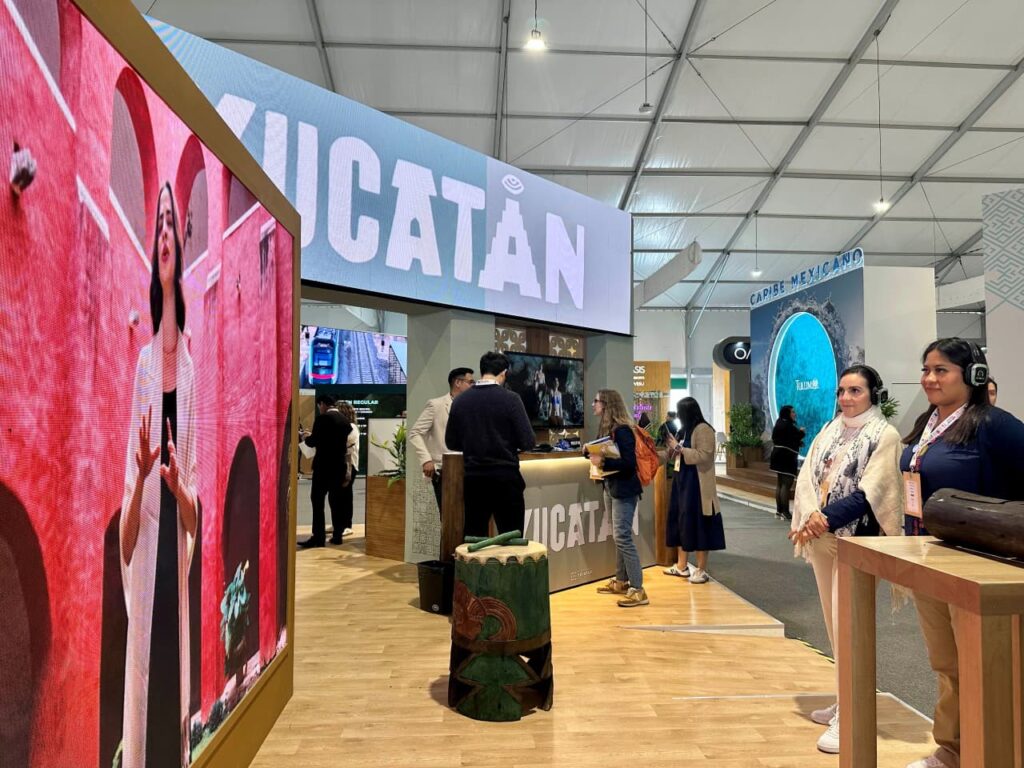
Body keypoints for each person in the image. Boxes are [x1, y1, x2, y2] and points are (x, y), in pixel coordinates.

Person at [900, 339, 1024, 768]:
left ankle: (996, 750)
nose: (929, 378)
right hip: (930, 558)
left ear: (973, 375)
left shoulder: (993, 425)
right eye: (926, 369)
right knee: (946, 662)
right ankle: (953, 749)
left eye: (941, 370)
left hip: (979, 567)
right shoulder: (927, 423)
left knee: (986, 665)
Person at [120, 182, 198, 768]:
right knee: (144, 699)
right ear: (154, 248)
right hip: (147, 558)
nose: (166, 232)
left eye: (172, 222)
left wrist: (177, 488)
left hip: (177, 565)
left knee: (175, 712)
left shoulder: (189, 371)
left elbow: (196, 517)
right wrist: (145, 477)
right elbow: (125, 542)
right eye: (160, 223)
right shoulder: (145, 364)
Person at [789, 364, 904, 755]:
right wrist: (809, 517)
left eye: (855, 391)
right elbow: (807, 476)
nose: (845, 398)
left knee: (849, 628)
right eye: (841, 391)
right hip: (822, 540)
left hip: (857, 543)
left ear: (873, 394)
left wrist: (823, 518)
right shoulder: (830, 429)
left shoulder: (884, 435)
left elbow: (872, 493)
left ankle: (853, 717)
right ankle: (845, 700)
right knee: (834, 626)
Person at [445, 352, 535, 537]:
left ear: (482, 371)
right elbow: (528, 441)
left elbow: (451, 442)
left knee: (474, 538)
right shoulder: (511, 399)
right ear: (504, 373)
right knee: (511, 538)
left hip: (474, 479)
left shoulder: (460, 401)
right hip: (506, 478)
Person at [588, 389, 647, 607]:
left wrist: (603, 462)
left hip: (624, 489)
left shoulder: (622, 430)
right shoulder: (609, 429)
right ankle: (621, 581)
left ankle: (638, 589)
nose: (593, 404)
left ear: (607, 404)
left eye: (596, 401)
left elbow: (629, 463)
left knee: (622, 537)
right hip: (611, 487)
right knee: (620, 536)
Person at [663, 397, 724, 585]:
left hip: (697, 485)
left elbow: (704, 457)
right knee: (681, 522)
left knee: (698, 524)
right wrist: (672, 449)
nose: (678, 416)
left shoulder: (704, 429)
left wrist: (679, 448)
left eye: (680, 412)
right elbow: (676, 452)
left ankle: (701, 569)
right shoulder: (684, 430)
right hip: (682, 482)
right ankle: (681, 566)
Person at [407, 367, 474, 513]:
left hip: (471, 468)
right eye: (470, 382)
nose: (473, 385)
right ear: (458, 382)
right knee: (449, 516)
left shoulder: (474, 406)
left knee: (470, 516)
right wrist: (426, 460)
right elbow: (415, 433)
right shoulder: (436, 405)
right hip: (445, 469)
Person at [299, 394, 351, 547]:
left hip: (323, 467)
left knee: (317, 501)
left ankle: (318, 537)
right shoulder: (344, 420)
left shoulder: (323, 419)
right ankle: (337, 536)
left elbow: (313, 441)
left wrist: (305, 437)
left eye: (319, 406)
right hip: (339, 466)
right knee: (336, 502)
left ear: (322, 404)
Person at [769, 405, 804, 520]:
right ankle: (785, 512)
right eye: (792, 412)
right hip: (786, 457)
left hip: (777, 456)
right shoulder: (788, 425)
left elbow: (785, 439)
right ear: (787, 413)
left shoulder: (779, 423)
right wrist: (802, 432)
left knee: (780, 484)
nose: (794, 414)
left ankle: (779, 511)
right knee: (786, 484)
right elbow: (796, 436)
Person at [336, 400, 358, 537]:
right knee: (339, 495)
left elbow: (345, 444)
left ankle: (347, 525)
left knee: (345, 495)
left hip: (349, 465)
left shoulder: (351, 427)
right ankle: (338, 523)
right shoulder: (345, 427)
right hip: (341, 464)